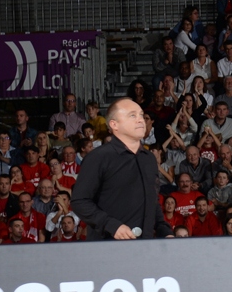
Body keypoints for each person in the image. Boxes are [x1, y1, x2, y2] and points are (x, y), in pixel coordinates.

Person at [70, 99, 173, 241]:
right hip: (108, 247)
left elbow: (152, 201)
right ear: (114, 124)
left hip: (145, 246)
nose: (140, 120)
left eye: (141, 115)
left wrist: (163, 229)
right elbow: (79, 201)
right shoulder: (98, 157)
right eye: (132, 115)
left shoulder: (148, 159)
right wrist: (111, 225)